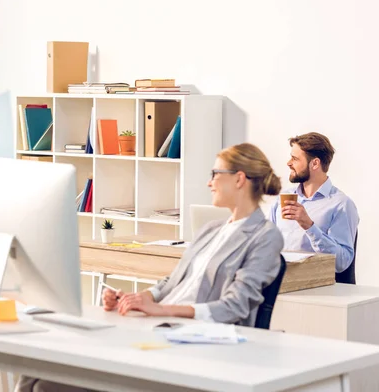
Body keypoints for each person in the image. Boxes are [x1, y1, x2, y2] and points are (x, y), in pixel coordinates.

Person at [16, 143, 284, 392]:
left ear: (239, 178)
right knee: (33, 364)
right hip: (156, 324)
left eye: (215, 173)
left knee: (47, 386)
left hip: (189, 339)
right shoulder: (211, 229)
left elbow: (235, 306)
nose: (209, 182)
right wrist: (138, 299)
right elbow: (171, 283)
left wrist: (160, 309)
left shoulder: (264, 236)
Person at [269, 132, 359, 276]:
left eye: (295, 159)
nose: (288, 163)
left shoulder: (341, 204)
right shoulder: (282, 199)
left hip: (317, 287)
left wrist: (309, 226)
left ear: (315, 163)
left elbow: (342, 262)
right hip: (280, 282)